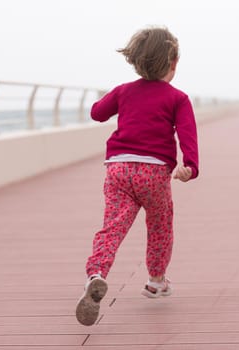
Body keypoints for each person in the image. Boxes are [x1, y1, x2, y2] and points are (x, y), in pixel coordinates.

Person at [75, 26, 199, 326]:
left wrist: (115, 97)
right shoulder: (177, 98)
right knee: (159, 225)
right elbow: (187, 134)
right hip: (154, 172)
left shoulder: (123, 91)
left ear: (136, 60)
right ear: (174, 62)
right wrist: (190, 166)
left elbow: (96, 113)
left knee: (113, 227)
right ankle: (157, 281)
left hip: (118, 168)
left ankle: (97, 273)